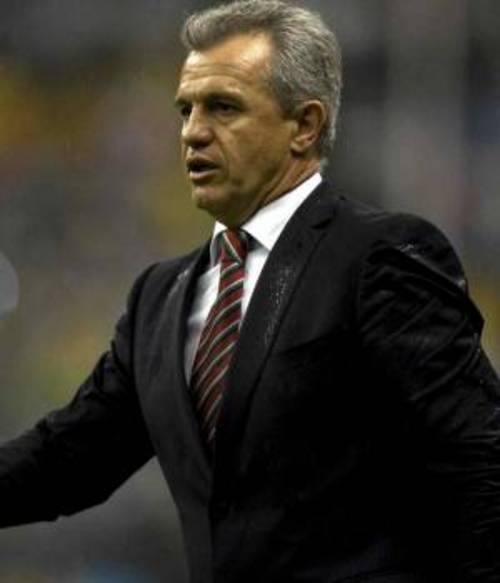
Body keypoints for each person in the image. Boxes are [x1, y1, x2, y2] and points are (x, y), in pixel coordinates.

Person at [1, 1, 500, 581]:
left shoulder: (377, 257)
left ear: (304, 126)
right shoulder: (160, 298)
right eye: (186, 109)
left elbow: (480, 464)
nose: (193, 132)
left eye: (224, 107)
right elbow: (69, 458)